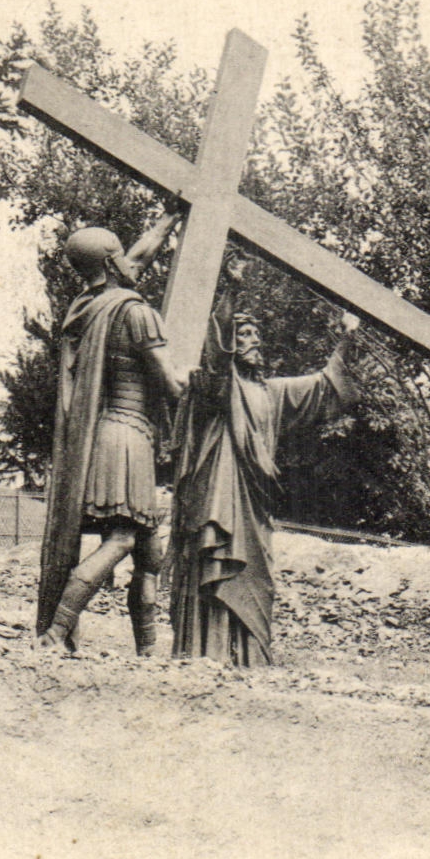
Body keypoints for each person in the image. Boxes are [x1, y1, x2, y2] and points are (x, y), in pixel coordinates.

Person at [168, 258, 358, 665]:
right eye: (244, 334)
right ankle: (208, 653)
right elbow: (216, 354)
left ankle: (249, 657)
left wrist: (347, 340)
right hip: (218, 497)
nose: (253, 340)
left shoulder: (271, 393)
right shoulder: (216, 386)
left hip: (254, 505)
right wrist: (230, 293)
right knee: (216, 562)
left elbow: (325, 388)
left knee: (256, 574)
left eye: (256, 334)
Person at [36, 208, 187, 655]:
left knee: (149, 553)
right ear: (108, 262)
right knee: (122, 539)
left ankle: (147, 652)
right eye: (119, 253)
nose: (129, 259)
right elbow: (170, 384)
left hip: (103, 436)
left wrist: (166, 221)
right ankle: (56, 632)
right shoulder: (137, 313)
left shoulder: (85, 309)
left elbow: (135, 261)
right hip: (128, 437)